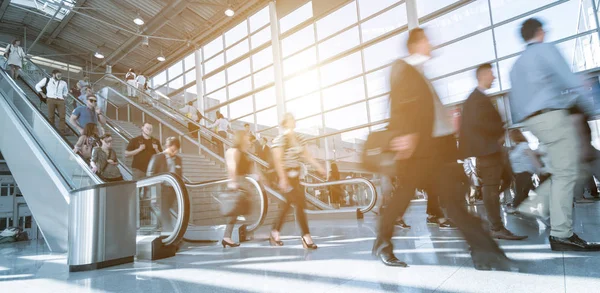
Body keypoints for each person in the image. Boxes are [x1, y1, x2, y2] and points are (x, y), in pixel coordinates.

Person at [372, 28, 512, 270]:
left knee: (453, 201)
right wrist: (405, 135)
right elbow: (399, 104)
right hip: (415, 151)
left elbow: (428, 113)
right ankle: (382, 245)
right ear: (416, 44)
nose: (432, 44)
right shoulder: (402, 68)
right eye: (427, 40)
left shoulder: (421, 73)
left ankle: (484, 250)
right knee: (402, 199)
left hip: (434, 151)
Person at [509, 18, 600, 251]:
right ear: (539, 32)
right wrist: (587, 105)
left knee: (563, 170)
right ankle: (560, 233)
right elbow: (568, 78)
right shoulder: (545, 49)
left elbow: (516, 102)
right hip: (553, 116)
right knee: (568, 172)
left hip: (534, 121)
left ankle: (536, 206)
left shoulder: (516, 66)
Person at [459, 63, 527, 240]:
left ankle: (494, 208)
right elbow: (476, 125)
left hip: (494, 150)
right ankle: (496, 227)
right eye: (491, 74)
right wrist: (496, 133)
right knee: (491, 187)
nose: (494, 77)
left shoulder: (480, 98)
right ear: (483, 75)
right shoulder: (475, 99)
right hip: (486, 151)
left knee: (506, 178)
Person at [270, 113, 326, 250]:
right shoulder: (281, 139)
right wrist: (283, 178)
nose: (294, 120)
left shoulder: (300, 138)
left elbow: (307, 156)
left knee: (288, 205)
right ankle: (306, 237)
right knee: (300, 204)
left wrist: (319, 167)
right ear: (285, 123)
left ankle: (274, 232)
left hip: (296, 177)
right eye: (291, 119)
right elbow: (277, 160)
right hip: (286, 175)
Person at [222, 130, 259, 248]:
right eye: (247, 138)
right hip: (239, 182)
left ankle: (227, 237)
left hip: (243, 182)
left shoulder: (243, 152)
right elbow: (232, 167)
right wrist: (233, 182)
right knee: (236, 210)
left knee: (237, 211)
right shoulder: (235, 151)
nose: (249, 141)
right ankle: (228, 237)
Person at [147, 137, 183, 234]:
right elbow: (150, 173)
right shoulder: (158, 157)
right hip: (161, 190)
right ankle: (169, 231)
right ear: (167, 147)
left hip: (173, 190)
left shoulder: (178, 159)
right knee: (164, 210)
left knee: (166, 210)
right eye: (172, 150)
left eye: (176, 150)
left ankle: (162, 231)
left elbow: (180, 175)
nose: (174, 152)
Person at [506, 129, 546, 213]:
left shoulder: (524, 145)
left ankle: (514, 207)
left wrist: (539, 169)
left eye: (510, 136)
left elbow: (532, 157)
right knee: (526, 189)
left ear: (515, 136)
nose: (510, 137)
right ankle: (536, 202)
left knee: (520, 190)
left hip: (525, 172)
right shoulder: (517, 147)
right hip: (519, 173)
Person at [36, 69, 68, 134]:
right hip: (51, 99)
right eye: (58, 75)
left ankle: (61, 131)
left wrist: (64, 97)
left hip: (60, 100)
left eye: (60, 75)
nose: (59, 76)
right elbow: (37, 86)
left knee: (62, 116)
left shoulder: (63, 83)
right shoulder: (47, 80)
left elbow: (65, 91)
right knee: (51, 116)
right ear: (53, 74)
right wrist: (42, 94)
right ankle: (52, 131)